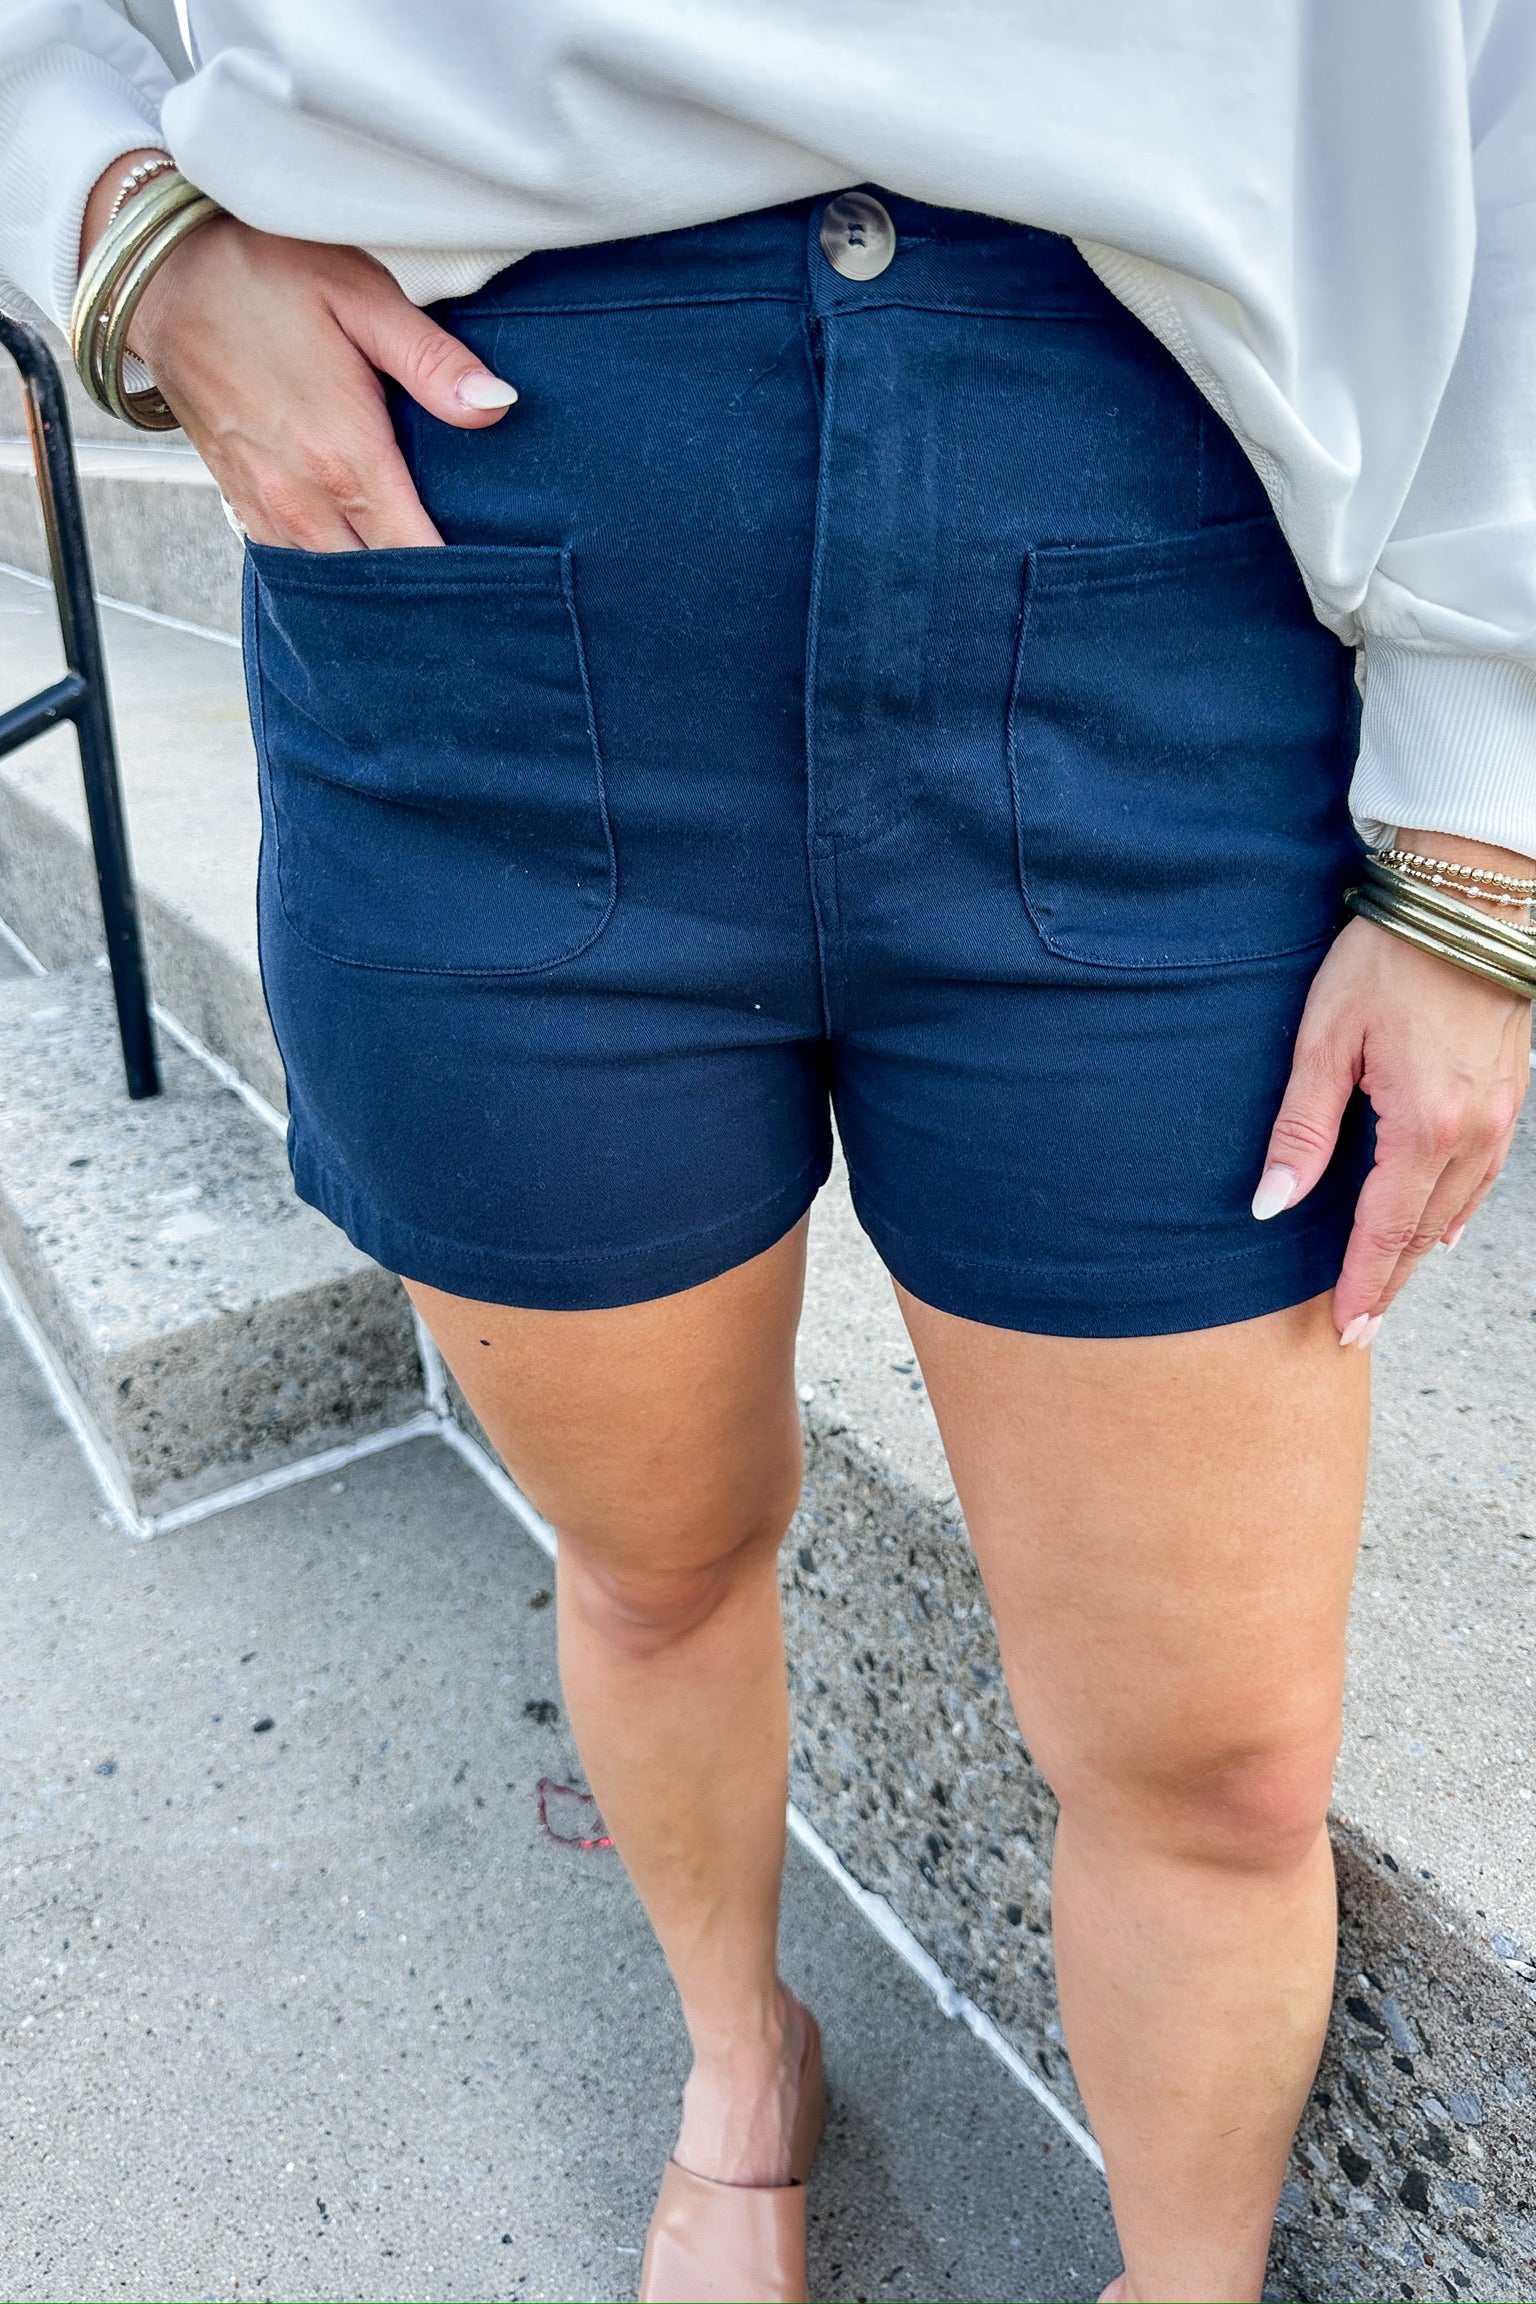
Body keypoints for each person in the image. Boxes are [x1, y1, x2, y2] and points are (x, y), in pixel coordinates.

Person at [3, 7, 1532, 2299]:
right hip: (478, 544)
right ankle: (742, 2063)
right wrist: (114, 216)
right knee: (654, 1558)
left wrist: (1486, 806)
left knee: (1215, 1751)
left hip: (1155, 561)